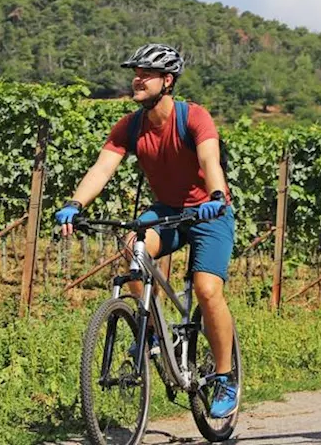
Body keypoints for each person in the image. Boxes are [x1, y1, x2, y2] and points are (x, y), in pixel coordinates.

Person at [55, 43, 240, 417]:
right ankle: (155, 331)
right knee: (132, 247)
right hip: (168, 211)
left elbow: (210, 158)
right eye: (135, 72)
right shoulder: (131, 126)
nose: (136, 79)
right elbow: (102, 169)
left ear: (167, 81)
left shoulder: (193, 118)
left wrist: (216, 194)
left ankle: (225, 377)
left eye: (146, 74)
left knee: (206, 290)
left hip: (209, 212)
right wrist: (75, 204)